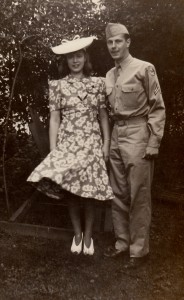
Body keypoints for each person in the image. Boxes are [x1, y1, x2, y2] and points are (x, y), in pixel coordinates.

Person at [27, 36, 114, 255]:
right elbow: (55, 119)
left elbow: (103, 116)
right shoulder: (58, 86)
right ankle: (77, 234)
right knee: (72, 191)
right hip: (68, 142)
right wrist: (54, 149)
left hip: (92, 141)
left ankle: (88, 235)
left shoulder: (97, 83)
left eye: (79, 56)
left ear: (85, 57)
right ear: (65, 60)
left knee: (89, 190)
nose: (75, 61)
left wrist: (106, 144)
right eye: (70, 57)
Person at [104, 23, 166, 268]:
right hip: (117, 133)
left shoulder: (144, 68)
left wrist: (154, 141)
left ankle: (139, 251)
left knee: (139, 193)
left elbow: (158, 107)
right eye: (110, 42)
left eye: (118, 41)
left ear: (128, 42)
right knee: (118, 192)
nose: (113, 46)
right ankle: (122, 243)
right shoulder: (109, 75)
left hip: (138, 132)